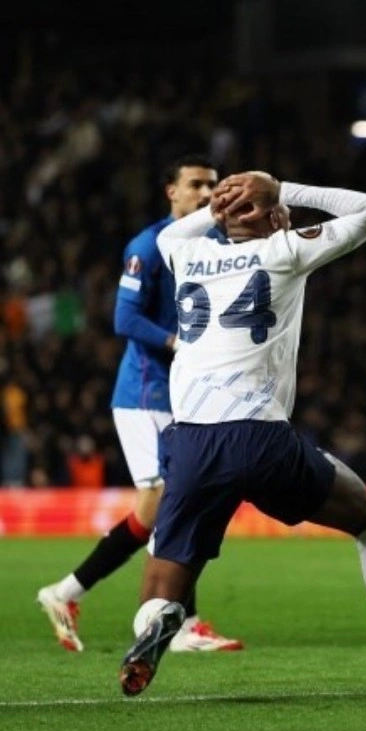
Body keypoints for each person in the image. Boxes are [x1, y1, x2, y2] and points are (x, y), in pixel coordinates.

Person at [118, 171, 366, 699]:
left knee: (164, 580)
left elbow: (185, 228)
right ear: (274, 215)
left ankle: (159, 622)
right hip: (258, 436)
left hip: (190, 442)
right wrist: (281, 187)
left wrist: (226, 206)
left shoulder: (178, 247)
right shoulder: (284, 250)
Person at [36, 155, 242, 654]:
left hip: (186, 392)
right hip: (147, 392)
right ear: (171, 191)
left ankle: (66, 593)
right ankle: (182, 624)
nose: (207, 193)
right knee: (176, 498)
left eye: (213, 185)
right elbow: (125, 319)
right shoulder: (148, 247)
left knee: (167, 505)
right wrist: (179, 344)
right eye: (195, 184)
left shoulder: (216, 243)